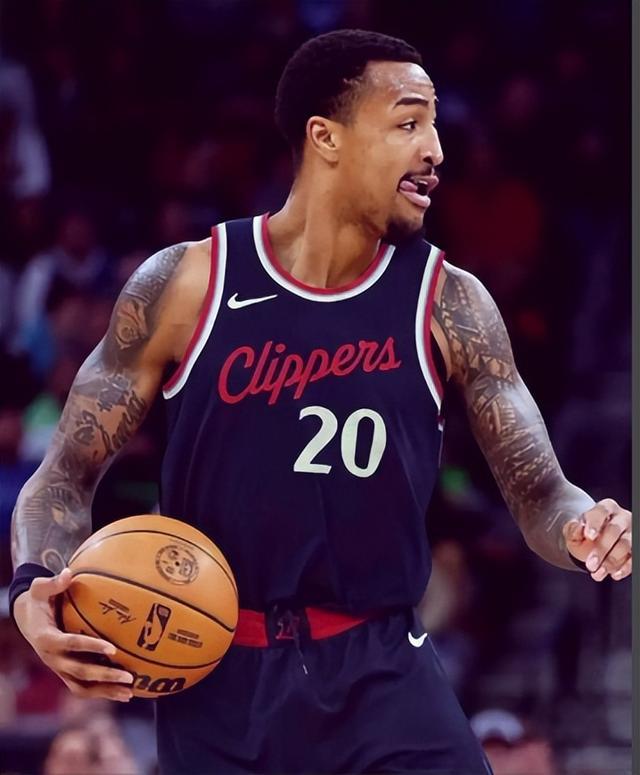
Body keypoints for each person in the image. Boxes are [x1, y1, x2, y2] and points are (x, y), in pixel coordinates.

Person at [9, 29, 631, 774]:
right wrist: (33, 587)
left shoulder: (449, 302)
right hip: (214, 673)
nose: (435, 149)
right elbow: (64, 474)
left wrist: (583, 529)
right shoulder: (188, 285)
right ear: (325, 137)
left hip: (381, 669)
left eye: (435, 126)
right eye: (408, 123)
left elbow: (541, 493)